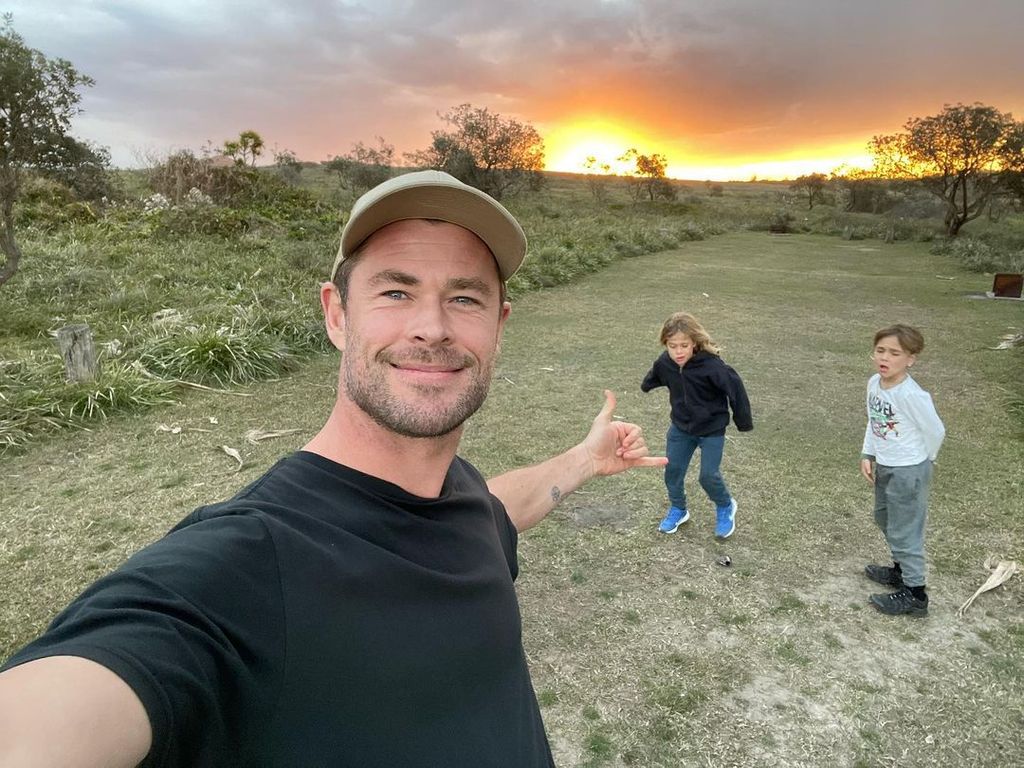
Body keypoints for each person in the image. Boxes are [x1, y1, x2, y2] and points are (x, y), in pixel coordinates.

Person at [0, 170, 667, 768]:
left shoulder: (455, 493)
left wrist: (585, 458)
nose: (432, 327)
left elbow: (495, 511)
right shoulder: (244, 567)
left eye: (465, 298)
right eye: (396, 292)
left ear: (500, 323)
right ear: (336, 316)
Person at [641, 311, 752, 538]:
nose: (678, 351)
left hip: (711, 429)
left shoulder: (712, 366)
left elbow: (736, 391)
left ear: (694, 343)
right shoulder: (666, 363)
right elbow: (657, 374)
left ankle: (725, 505)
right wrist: (648, 384)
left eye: (684, 345)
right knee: (672, 471)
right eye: (673, 346)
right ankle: (679, 509)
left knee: (708, 476)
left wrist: (743, 421)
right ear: (666, 344)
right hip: (681, 428)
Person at [860, 324, 945, 617]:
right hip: (885, 465)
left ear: (910, 359)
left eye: (895, 353)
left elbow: (936, 430)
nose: (885, 357)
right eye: (880, 350)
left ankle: (916, 595)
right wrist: (868, 452)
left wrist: (927, 460)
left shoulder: (911, 395)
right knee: (883, 518)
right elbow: (874, 422)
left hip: (909, 470)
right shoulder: (874, 383)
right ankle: (900, 570)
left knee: (905, 530)